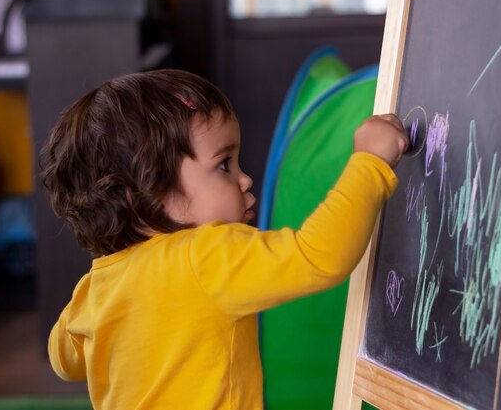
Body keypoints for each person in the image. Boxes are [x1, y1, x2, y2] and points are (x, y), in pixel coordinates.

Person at [41, 69, 407, 409]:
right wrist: (369, 163)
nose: (245, 180)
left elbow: (63, 360)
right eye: (223, 165)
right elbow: (318, 255)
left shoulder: (94, 289)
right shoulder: (204, 255)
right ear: (151, 195)